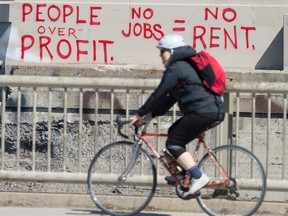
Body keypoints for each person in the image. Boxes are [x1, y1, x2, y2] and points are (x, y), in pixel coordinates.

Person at [130, 34, 225, 197]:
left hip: (203, 111)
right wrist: (151, 114)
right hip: (211, 111)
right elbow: (171, 98)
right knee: (174, 132)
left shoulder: (177, 68)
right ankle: (183, 174)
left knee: (174, 143)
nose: (160, 56)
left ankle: (198, 176)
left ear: (172, 52)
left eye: (162, 52)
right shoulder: (186, 66)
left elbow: (160, 92)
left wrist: (140, 113)